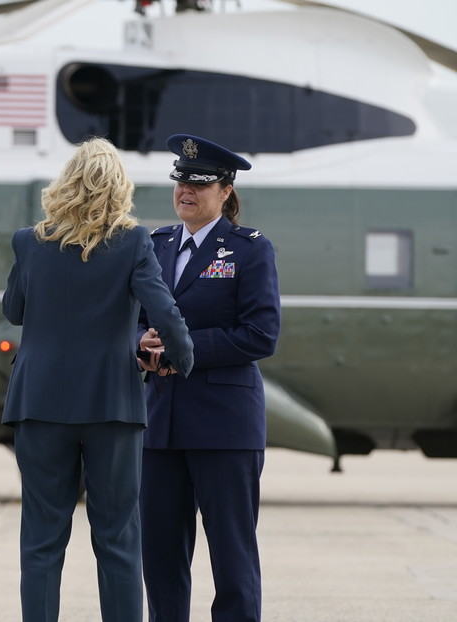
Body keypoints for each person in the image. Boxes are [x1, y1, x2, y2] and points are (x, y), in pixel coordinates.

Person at [1, 137, 194, 622]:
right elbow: (164, 312)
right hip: (112, 405)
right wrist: (182, 360)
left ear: (66, 181)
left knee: (42, 538)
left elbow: (14, 310)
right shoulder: (133, 241)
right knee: (117, 538)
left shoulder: (30, 240)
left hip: (39, 403)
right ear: (119, 187)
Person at [138, 134, 281, 622]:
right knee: (158, 556)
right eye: (181, 180)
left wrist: (182, 349)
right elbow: (130, 321)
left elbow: (261, 334)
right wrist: (140, 345)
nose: (186, 190)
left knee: (232, 556)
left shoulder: (249, 250)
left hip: (224, 425)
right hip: (160, 423)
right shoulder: (152, 246)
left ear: (225, 191)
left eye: (199, 183)